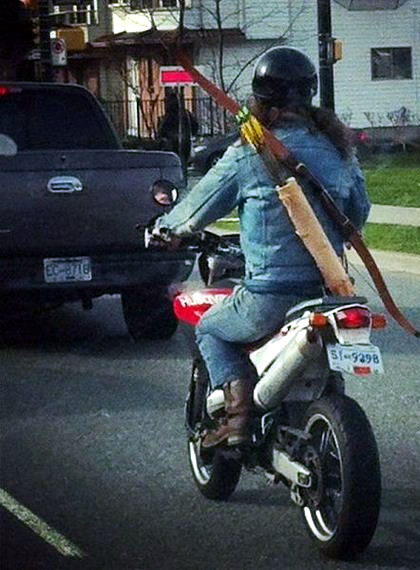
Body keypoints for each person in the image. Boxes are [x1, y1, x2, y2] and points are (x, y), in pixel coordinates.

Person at [153, 46, 370, 448]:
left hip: (269, 297)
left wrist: (165, 229)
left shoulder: (249, 153)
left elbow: (195, 209)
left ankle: (236, 418)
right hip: (328, 295)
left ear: (259, 97)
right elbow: (358, 213)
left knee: (210, 328)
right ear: (309, 93)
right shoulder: (339, 151)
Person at [157, 91, 199, 165]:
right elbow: (195, 126)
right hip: (185, 143)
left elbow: (162, 131)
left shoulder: (168, 116)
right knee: (183, 164)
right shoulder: (186, 114)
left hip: (172, 146)